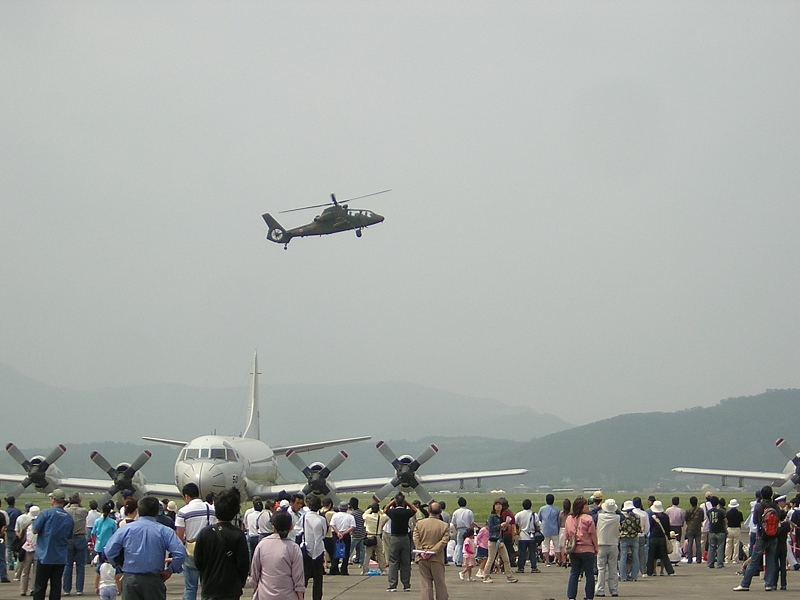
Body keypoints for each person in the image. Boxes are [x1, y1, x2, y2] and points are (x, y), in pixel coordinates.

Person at [103, 495, 186, 600]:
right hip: (153, 580)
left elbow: (109, 551)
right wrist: (170, 570)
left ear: (138, 510)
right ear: (157, 512)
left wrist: (118, 565)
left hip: (130, 579)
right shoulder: (164, 531)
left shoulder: (125, 529)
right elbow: (180, 553)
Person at [194, 488, 250, 600]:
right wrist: (240, 583)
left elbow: (198, 562)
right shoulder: (238, 535)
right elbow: (243, 564)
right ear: (235, 511)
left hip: (210, 587)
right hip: (231, 589)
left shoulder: (205, 533)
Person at [734, 485, 782, 592]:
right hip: (774, 536)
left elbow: (755, 521)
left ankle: (745, 583)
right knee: (771, 561)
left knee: (754, 560)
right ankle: (769, 584)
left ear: (761, 494)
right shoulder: (775, 506)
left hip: (762, 536)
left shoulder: (759, 506)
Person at [250, 509, 305, 600]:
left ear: (273, 527)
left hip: (264, 595)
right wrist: (300, 596)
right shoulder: (294, 548)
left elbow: (255, 572)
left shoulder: (262, 545)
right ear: (291, 527)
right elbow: (298, 576)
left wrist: (255, 590)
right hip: (287, 595)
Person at [176, 482, 217, 600]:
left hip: (191, 552)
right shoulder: (212, 509)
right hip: (209, 553)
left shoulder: (183, 512)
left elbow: (179, 536)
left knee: (190, 588)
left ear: (186, 496)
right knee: (208, 588)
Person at [31, 489, 74, 600]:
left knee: (40, 586)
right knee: (56, 586)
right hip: (60, 557)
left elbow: (34, 530)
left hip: (45, 555)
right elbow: (69, 537)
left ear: (54, 499)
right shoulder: (68, 517)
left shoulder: (46, 513)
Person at [413, 502, 450, 600]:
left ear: (428, 511)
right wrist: (432, 551)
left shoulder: (419, 524)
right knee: (440, 584)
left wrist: (422, 551)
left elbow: (416, 538)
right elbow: (443, 541)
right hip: (436, 558)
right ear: (440, 512)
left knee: (425, 584)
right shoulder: (444, 526)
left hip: (422, 558)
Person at [564, 496, 598, 600]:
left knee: (574, 573)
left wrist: (564, 550)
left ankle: (571, 596)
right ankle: (589, 597)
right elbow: (593, 535)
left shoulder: (569, 518)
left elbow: (566, 535)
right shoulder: (588, 518)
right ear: (582, 507)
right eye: (586, 505)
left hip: (574, 550)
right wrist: (596, 547)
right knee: (589, 574)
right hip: (587, 549)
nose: (588, 507)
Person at [383, 492, 417, 592]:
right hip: (405, 538)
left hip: (394, 538)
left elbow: (385, 510)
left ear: (395, 502)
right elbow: (414, 509)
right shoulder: (406, 513)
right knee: (405, 562)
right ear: (403, 502)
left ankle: (392, 585)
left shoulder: (392, 513)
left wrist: (392, 502)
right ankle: (406, 584)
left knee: (393, 561)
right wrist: (406, 502)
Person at [298, 495, 327, 600]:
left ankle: (300, 596)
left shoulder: (304, 517)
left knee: (304, 577)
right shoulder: (321, 519)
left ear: (308, 505)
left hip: (306, 549)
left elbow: (298, 530)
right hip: (318, 550)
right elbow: (323, 534)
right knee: (318, 578)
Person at [482, 499, 518, 584]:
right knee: (491, 559)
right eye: (496, 505)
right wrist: (499, 526)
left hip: (500, 540)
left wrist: (505, 526)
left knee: (506, 559)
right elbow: (491, 528)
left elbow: (502, 529)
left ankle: (510, 576)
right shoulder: (492, 517)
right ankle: (486, 576)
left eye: (500, 505)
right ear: (494, 507)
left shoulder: (501, 517)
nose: (498, 506)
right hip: (493, 540)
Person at [63, 492, 89, 596]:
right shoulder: (83, 511)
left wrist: (69, 504)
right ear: (79, 500)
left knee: (68, 565)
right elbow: (83, 509)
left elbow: (65, 508)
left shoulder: (66, 511)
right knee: (80, 565)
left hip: (68, 539)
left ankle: (66, 589)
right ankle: (79, 589)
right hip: (80, 537)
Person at [595, 498, 620, 598]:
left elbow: (590, 514)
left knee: (601, 569)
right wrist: (615, 509)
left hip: (601, 544)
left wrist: (598, 507)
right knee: (613, 569)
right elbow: (623, 515)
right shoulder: (617, 517)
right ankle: (614, 590)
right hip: (613, 544)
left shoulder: (599, 516)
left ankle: (600, 590)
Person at [646, 500, 675, 576]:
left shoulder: (652, 516)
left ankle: (649, 572)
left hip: (653, 537)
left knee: (651, 556)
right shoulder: (665, 516)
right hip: (662, 537)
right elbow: (668, 528)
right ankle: (670, 571)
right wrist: (668, 537)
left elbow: (650, 527)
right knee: (664, 555)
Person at [18, 505, 40, 597]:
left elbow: (21, 536)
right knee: (35, 571)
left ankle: (23, 590)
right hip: (38, 549)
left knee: (25, 571)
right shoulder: (41, 524)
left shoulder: (26, 524)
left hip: (27, 548)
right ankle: (33, 589)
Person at [514, 499, 540, 573]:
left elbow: (514, 522)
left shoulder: (519, 514)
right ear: (530, 505)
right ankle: (534, 567)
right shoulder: (534, 514)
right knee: (532, 552)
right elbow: (538, 524)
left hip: (522, 536)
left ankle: (520, 568)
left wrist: (517, 530)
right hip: (531, 536)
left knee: (522, 553)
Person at [329, 502, 355, 576]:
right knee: (346, 552)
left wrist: (338, 533)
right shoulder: (350, 516)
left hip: (336, 534)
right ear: (347, 509)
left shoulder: (335, 515)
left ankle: (334, 568)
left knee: (335, 551)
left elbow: (332, 525)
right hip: (346, 535)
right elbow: (352, 527)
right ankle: (344, 569)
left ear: (340, 508)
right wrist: (344, 533)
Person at [362, 502, 387, 575]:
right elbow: (385, 515)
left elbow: (364, 514)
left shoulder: (368, 517)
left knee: (367, 554)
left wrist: (370, 509)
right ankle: (383, 570)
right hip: (377, 536)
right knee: (380, 554)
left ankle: (365, 570)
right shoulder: (381, 517)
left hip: (369, 536)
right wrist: (380, 510)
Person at [619, 500, 641, 582]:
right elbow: (639, 528)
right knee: (636, 556)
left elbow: (620, 528)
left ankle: (623, 576)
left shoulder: (622, 517)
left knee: (623, 557)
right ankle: (634, 576)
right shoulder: (636, 517)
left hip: (624, 538)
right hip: (634, 537)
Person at [450, 497, 475, 568]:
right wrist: (471, 531)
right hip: (467, 529)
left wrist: (457, 529)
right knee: (468, 545)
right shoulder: (469, 512)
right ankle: (468, 561)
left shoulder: (456, 512)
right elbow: (472, 523)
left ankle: (459, 561)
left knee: (460, 545)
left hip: (460, 529)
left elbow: (454, 523)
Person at [538, 494, 560, 567]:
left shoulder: (542, 509)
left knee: (545, 545)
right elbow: (558, 520)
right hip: (554, 530)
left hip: (545, 530)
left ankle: (547, 561)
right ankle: (558, 561)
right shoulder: (556, 509)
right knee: (556, 545)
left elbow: (539, 519)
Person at [706, 496, 727, 568]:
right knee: (720, 547)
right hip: (720, 530)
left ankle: (710, 563)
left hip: (712, 530)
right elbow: (725, 521)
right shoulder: (721, 512)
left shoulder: (708, 512)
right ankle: (719, 563)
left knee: (711, 547)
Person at [5, 496, 22, 575]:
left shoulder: (5, 511)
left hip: (7, 530)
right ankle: (18, 563)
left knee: (9, 547)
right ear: (14, 502)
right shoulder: (17, 511)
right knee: (18, 547)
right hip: (16, 531)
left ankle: (10, 564)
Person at [684, 496, 703, 564]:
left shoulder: (688, 510)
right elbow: (702, 519)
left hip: (690, 528)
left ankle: (689, 559)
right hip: (698, 528)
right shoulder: (700, 510)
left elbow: (686, 518)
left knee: (690, 544)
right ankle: (699, 559)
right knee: (698, 544)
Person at [348, 498, 366, 569]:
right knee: (362, 550)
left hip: (355, 534)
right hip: (362, 533)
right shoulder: (362, 512)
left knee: (350, 549)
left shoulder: (352, 514)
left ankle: (345, 561)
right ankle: (361, 563)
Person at [557, 497, 571, 568]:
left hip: (562, 529)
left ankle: (563, 560)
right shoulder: (571, 513)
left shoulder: (561, 513)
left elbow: (559, 523)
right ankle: (570, 560)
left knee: (562, 546)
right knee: (570, 545)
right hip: (570, 529)